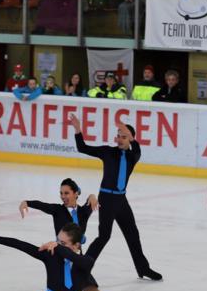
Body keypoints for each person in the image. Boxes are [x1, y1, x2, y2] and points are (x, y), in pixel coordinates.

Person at [19, 178, 134, 291]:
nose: (63, 196)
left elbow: (91, 200)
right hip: (59, 259)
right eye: (61, 193)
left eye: (66, 193)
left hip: (77, 260)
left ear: (75, 194)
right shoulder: (57, 210)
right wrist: (26, 202)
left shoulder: (83, 212)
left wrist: (93, 196)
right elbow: (41, 205)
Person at [68, 114, 162, 281]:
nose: (119, 139)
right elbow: (83, 147)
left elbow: (137, 147)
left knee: (132, 233)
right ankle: (82, 267)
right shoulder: (108, 152)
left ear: (130, 139)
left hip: (121, 200)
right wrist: (77, 129)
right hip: (107, 199)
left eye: (123, 136)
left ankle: (143, 268)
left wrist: (131, 138)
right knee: (104, 236)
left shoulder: (134, 156)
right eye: (118, 135)